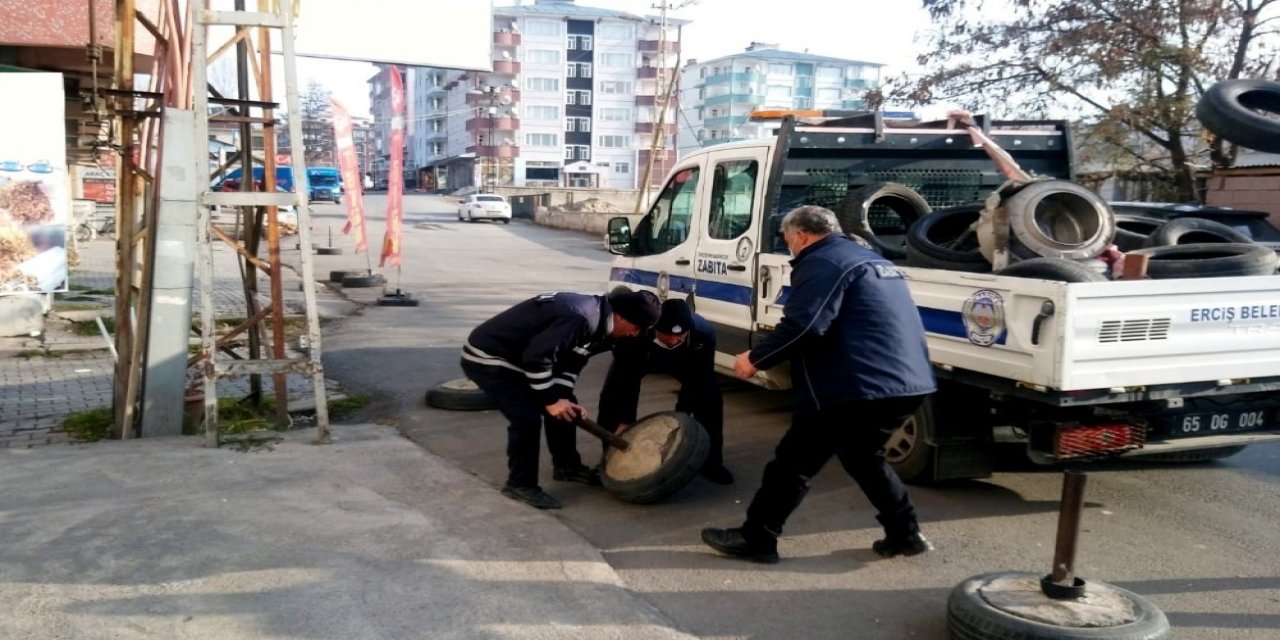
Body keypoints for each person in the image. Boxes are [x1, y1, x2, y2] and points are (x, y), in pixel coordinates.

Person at [701, 205, 936, 563]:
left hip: (854, 386)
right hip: (908, 382)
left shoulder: (822, 261)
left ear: (800, 235)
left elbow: (806, 325)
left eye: (786, 239)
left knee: (791, 464)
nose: (788, 246)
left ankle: (758, 538)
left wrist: (755, 358)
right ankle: (905, 533)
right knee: (864, 459)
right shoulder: (869, 259)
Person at [461, 290, 662, 510]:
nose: (636, 334)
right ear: (621, 316)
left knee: (567, 407)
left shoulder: (605, 326)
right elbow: (537, 359)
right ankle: (520, 485)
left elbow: (573, 361)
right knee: (526, 418)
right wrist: (551, 400)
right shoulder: (580, 317)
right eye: (636, 327)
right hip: (490, 357)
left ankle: (567, 467)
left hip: (523, 358)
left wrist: (562, 397)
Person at [597, 298, 733, 485]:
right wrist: (625, 420)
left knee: (710, 396)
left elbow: (698, 378)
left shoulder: (703, 333)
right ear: (655, 327)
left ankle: (711, 461)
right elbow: (627, 380)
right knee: (611, 396)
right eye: (667, 334)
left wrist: (681, 418)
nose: (674, 339)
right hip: (643, 356)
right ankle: (610, 458)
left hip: (684, 361)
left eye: (680, 335)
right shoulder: (636, 332)